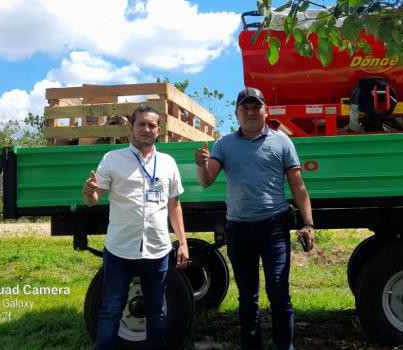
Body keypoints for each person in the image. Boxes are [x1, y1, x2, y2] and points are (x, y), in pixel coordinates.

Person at [195, 87, 315, 350]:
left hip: (274, 228)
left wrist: (308, 224)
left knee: (278, 293)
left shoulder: (282, 142)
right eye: (244, 108)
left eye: (255, 107)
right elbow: (206, 180)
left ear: (266, 111)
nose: (250, 112)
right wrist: (201, 164)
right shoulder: (224, 144)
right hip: (239, 230)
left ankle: (286, 346)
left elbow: (298, 185)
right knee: (248, 298)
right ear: (237, 113)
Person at [82, 105, 189, 350]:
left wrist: (182, 242)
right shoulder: (112, 158)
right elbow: (94, 198)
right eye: (141, 124)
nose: (146, 129)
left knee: (156, 312)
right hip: (120, 249)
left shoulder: (168, 163)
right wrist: (89, 192)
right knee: (110, 311)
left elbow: (174, 205)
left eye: (152, 125)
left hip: (157, 250)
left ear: (158, 130)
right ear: (132, 128)